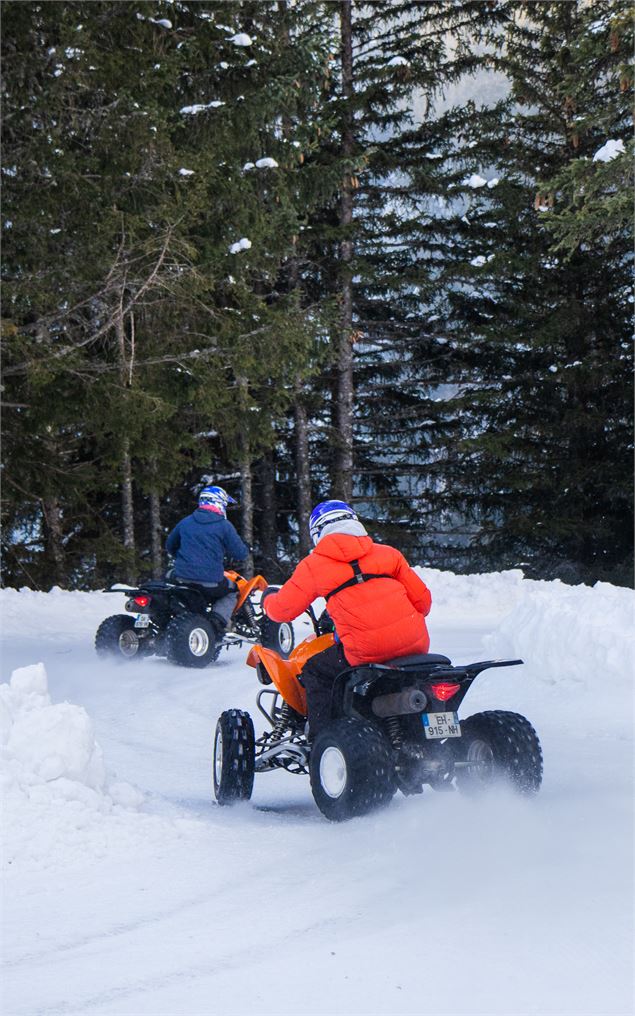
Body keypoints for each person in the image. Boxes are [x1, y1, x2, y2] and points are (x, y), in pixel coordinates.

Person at [262, 499, 432, 737]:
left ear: (317, 532)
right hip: (417, 646)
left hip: (366, 651)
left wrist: (268, 599)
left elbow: (282, 611)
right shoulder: (389, 554)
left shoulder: (314, 566)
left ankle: (323, 741)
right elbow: (424, 603)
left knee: (314, 671)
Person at [165, 485, 249, 632]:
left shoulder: (186, 522)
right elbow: (240, 553)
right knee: (233, 590)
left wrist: (185, 559)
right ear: (219, 503)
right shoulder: (224, 525)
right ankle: (216, 622)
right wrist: (246, 548)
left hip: (181, 577)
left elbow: (170, 545)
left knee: (168, 579)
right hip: (210, 581)